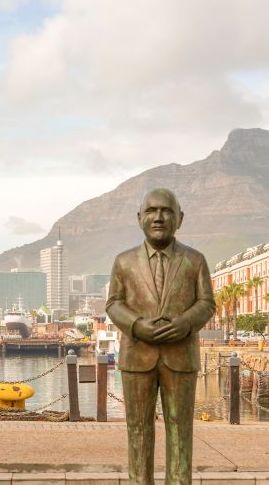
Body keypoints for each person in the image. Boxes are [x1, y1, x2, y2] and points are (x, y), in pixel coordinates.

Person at [106, 188, 215, 485]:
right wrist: (137, 325)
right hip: (136, 356)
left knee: (181, 431)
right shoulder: (123, 261)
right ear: (139, 218)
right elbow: (114, 303)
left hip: (180, 357)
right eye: (151, 211)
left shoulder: (196, 260)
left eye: (166, 211)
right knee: (138, 430)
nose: (158, 217)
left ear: (179, 218)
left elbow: (207, 302)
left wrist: (186, 323)